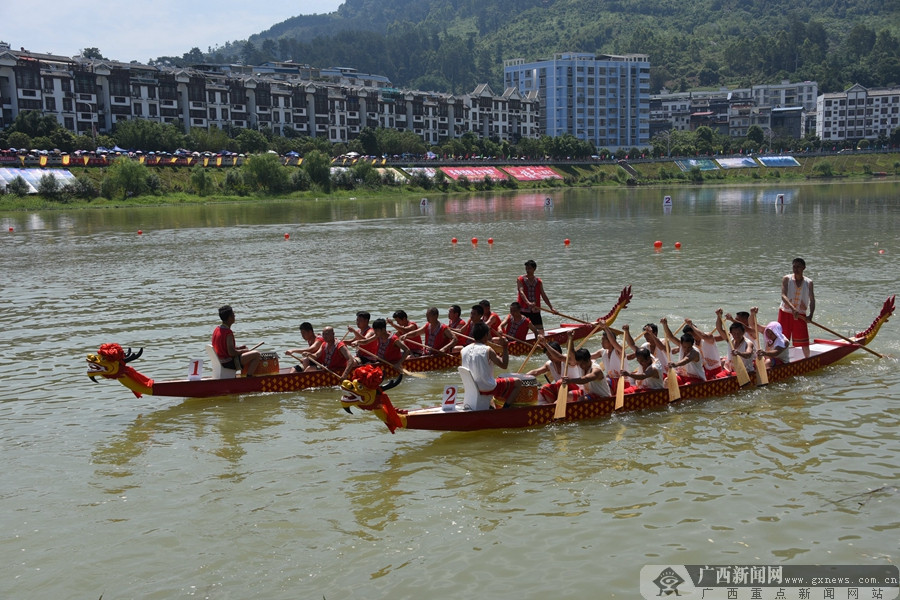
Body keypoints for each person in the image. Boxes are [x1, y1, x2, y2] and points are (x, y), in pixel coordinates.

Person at [460, 322, 521, 409]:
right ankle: (505, 409)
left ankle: (490, 406)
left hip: (471, 388)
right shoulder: (488, 350)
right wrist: (505, 347)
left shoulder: (463, 350)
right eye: (489, 334)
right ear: (486, 335)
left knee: (492, 378)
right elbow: (504, 365)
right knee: (518, 382)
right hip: (486, 388)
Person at [779, 257, 816, 358]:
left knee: (804, 341)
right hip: (785, 312)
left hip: (800, 315)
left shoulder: (809, 282)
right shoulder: (787, 279)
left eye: (798, 267)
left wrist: (810, 315)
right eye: (794, 267)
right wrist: (792, 308)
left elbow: (812, 300)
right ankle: (780, 359)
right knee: (782, 338)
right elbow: (783, 295)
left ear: (804, 268)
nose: (795, 269)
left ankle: (807, 359)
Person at [527, 336, 582, 404]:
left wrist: (545, 344)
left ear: (557, 352)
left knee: (560, 382)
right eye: (548, 356)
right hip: (560, 391)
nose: (549, 357)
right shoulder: (549, 364)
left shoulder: (568, 360)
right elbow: (536, 372)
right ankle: (553, 406)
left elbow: (559, 357)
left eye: (550, 354)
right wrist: (521, 377)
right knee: (545, 387)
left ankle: (558, 404)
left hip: (576, 390)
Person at [211, 305, 261, 377]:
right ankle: (249, 378)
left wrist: (239, 348)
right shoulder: (228, 332)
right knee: (256, 354)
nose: (234, 316)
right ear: (229, 318)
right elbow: (231, 353)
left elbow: (224, 347)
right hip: (228, 363)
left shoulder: (217, 329)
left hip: (220, 361)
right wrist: (244, 351)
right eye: (233, 314)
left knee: (248, 353)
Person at [516, 259, 554, 335]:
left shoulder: (538, 281)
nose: (527, 270)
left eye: (529, 268)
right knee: (520, 331)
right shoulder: (520, 279)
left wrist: (551, 308)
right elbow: (521, 292)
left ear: (534, 269)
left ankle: (542, 343)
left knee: (540, 332)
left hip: (535, 310)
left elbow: (543, 295)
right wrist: (528, 303)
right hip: (523, 310)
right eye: (526, 268)